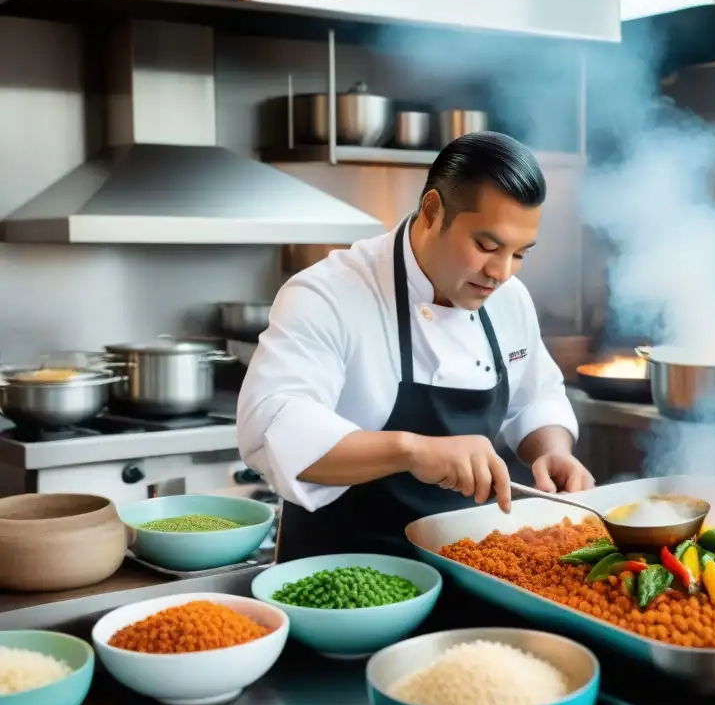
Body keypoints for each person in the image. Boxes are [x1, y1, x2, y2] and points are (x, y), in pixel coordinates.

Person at [237, 131, 595, 563]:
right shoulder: (329, 293)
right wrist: (413, 450)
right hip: (344, 577)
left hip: (467, 566)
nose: (501, 272)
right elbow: (272, 429)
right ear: (431, 211)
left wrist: (552, 451)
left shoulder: (509, 298)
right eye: (487, 246)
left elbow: (535, 397)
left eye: (520, 254)